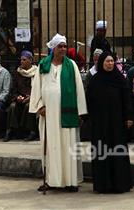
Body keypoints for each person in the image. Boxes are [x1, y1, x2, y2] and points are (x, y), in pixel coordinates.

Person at [29, 33, 87, 192]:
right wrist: (39, 106)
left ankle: (69, 181)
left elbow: (78, 89)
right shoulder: (43, 65)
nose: (63, 49)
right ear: (53, 48)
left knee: (67, 145)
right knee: (50, 147)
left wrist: (80, 112)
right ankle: (50, 180)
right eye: (59, 46)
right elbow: (36, 88)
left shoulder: (72, 65)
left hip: (66, 113)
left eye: (64, 46)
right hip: (48, 114)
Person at [87, 51, 133, 193]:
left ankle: (120, 184)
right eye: (107, 61)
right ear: (101, 63)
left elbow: (127, 100)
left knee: (117, 151)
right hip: (100, 123)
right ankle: (103, 185)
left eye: (112, 61)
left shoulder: (120, 80)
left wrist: (129, 118)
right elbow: (89, 101)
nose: (110, 64)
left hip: (117, 122)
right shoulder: (95, 80)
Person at [5, 50, 38, 141]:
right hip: (20, 98)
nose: (21, 62)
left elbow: (39, 88)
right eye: (21, 60)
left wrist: (31, 97)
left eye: (24, 60)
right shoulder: (17, 73)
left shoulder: (37, 73)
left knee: (29, 106)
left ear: (30, 60)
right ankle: (10, 131)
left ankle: (31, 132)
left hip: (33, 98)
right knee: (12, 106)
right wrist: (17, 97)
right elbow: (13, 89)